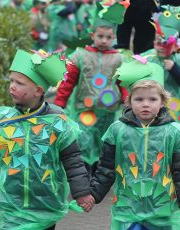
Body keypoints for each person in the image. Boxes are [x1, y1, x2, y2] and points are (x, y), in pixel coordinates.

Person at [0, 49, 94, 229]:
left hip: (45, 203)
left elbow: (73, 161)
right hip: (11, 204)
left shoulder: (57, 123)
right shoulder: (5, 121)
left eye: (19, 83)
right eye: (11, 80)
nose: (12, 86)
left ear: (38, 90)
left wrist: (81, 192)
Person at [86, 57, 180, 229]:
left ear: (162, 102)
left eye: (152, 99)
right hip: (128, 207)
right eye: (139, 99)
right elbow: (106, 168)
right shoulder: (117, 130)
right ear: (129, 101)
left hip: (162, 209)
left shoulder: (175, 132)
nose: (146, 104)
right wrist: (93, 194)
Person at [54, 1, 129, 175]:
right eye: (100, 36)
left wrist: (127, 100)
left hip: (108, 110)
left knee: (104, 140)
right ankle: (84, 170)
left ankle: (99, 171)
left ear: (114, 38)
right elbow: (68, 81)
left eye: (109, 37)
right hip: (85, 108)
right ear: (92, 34)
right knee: (84, 139)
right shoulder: (80, 55)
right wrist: (60, 101)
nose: (104, 41)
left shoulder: (119, 59)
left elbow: (122, 81)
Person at [142, 4, 180, 133]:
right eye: (158, 42)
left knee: (173, 141)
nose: (161, 46)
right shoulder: (148, 57)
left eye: (166, 43)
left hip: (175, 110)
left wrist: (174, 68)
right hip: (152, 110)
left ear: (175, 44)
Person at [116, 0, 180, 60]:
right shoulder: (134, 2)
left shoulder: (176, 1)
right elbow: (124, 25)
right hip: (145, 54)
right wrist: (123, 49)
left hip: (173, 53)